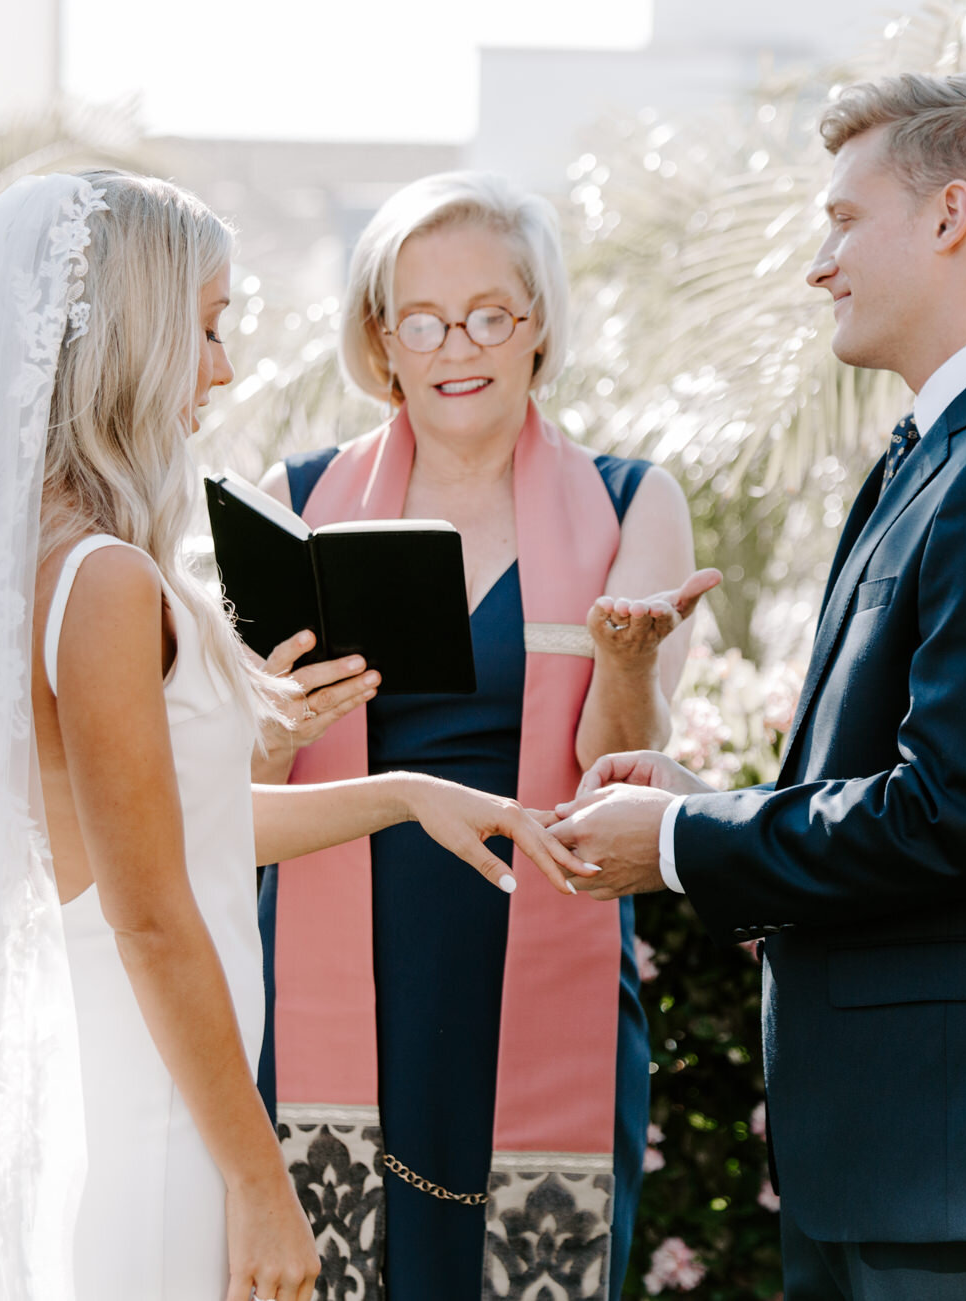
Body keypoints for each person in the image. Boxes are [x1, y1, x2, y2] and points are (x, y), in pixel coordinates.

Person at [0, 171, 585, 1301]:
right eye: (207, 328)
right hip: (149, 1098)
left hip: (93, 1065)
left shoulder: (2, 564)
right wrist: (260, 1179)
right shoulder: (107, 581)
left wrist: (403, 790)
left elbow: (178, 836)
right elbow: (157, 915)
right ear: (133, 337)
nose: (221, 366)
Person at [552, 74, 966, 1301]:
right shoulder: (953, 451)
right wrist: (707, 800)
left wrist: (679, 841)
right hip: (904, 1163)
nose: (815, 263)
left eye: (841, 219)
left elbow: (952, 817)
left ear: (949, 215)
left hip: (965, 1176)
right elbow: (901, 781)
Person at [251, 170, 719, 1300]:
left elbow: (615, 769)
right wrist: (273, 723)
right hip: (331, 978)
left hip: (536, 968)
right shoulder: (294, 503)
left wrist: (624, 659)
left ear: (537, 324)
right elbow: (237, 795)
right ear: (382, 336)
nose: (456, 344)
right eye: (422, 317)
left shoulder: (630, 503)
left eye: (489, 313)